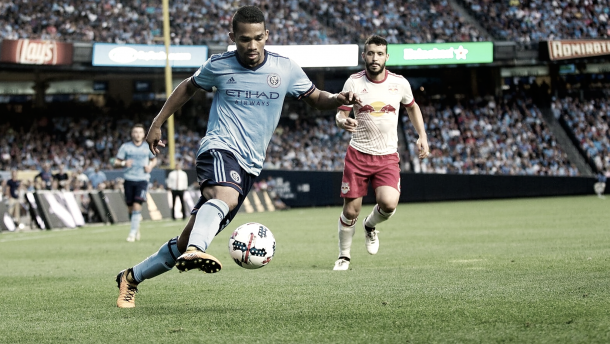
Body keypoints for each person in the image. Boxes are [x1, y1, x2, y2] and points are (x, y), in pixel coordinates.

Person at [115, 5, 361, 308]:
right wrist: (157, 122)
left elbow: (316, 98)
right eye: (245, 39)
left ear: (267, 35)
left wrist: (337, 98)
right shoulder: (219, 65)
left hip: (249, 165)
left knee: (183, 241)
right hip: (219, 148)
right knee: (223, 199)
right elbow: (187, 88)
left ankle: (130, 278)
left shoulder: (284, 68)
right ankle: (196, 248)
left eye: (258, 38)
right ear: (233, 37)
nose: (253, 45)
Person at [332, 35, 429, 271]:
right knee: (350, 210)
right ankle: (344, 256)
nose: (374, 58)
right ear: (363, 55)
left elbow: (413, 107)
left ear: (387, 57)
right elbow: (340, 114)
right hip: (358, 155)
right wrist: (342, 122)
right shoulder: (353, 83)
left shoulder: (399, 83)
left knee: (388, 203)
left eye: (379, 53)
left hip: (386, 157)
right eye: (370, 53)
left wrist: (422, 136)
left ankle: (370, 226)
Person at [113, 123, 158, 242]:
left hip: (142, 179)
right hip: (129, 179)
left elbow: (154, 160)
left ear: (144, 134)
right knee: (130, 208)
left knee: (137, 205)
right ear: (132, 134)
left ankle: (132, 233)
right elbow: (116, 162)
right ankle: (135, 226)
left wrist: (150, 166)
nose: (137, 134)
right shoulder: (125, 147)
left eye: (140, 132)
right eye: (135, 132)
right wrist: (123, 163)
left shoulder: (147, 147)